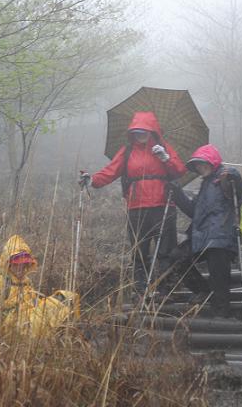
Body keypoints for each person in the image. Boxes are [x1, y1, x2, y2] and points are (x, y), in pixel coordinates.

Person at [79, 111, 187, 301]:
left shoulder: (164, 148)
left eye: (144, 131)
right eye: (137, 131)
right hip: (136, 207)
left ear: (153, 131)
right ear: (132, 133)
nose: (140, 135)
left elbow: (179, 171)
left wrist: (165, 158)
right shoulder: (127, 151)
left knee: (165, 250)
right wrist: (92, 180)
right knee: (139, 250)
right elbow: (111, 171)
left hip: (163, 205)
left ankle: (165, 290)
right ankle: (140, 290)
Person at [166, 144, 242, 318]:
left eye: (202, 162)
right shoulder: (205, 184)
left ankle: (221, 316)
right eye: (196, 165)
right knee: (177, 257)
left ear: (211, 161)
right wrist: (177, 193)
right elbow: (193, 211)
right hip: (202, 236)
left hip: (221, 236)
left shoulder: (226, 177)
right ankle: (203, 290)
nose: (199, 167)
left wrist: (234, 177)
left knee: (219, 278)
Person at [0, 235, 80, 337]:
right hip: (11, 330)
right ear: (8, 263)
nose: (21, 268)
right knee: (49, 310)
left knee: (67, 297)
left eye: (24, 265)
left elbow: (33, 303)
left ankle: (67, 335)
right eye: (17, 264)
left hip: (27, 324)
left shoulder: (26, 282)